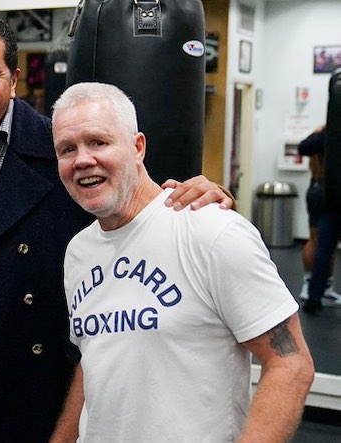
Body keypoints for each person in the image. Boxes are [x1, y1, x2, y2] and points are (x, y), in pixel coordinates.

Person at [0, 13, 234, 443]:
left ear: (13, 80)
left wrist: (199, 192)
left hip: (33, 376)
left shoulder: (61, 150)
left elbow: (134, 198)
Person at [51, 82, 315, 442]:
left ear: (137, 146)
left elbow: (290, 363)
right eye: (67, 149)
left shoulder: (210, 231)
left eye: (98, 142)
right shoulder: (78, 251)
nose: (82, 159)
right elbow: (97, 357)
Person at [297, 125, 341, 314]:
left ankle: (318, 290)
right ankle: (313, 288)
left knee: (322, 243)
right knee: (320, 243)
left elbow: (304, 147)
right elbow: (303, 148)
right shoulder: (327, 134)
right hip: (323, 194)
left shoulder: (328, 134)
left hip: (323, 192)